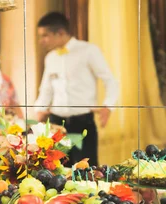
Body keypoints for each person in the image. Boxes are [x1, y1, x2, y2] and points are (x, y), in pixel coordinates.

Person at [35, 12, 118, 166]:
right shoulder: (50, 57)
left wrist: (108, 106)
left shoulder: (89, 51)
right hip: (56, 124)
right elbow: (46, 90)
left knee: (86, 172)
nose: (41, 41)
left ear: (60, 33)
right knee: (55, 171)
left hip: (82, 123)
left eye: (45, 35)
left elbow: (110, 81)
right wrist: (38, 111)